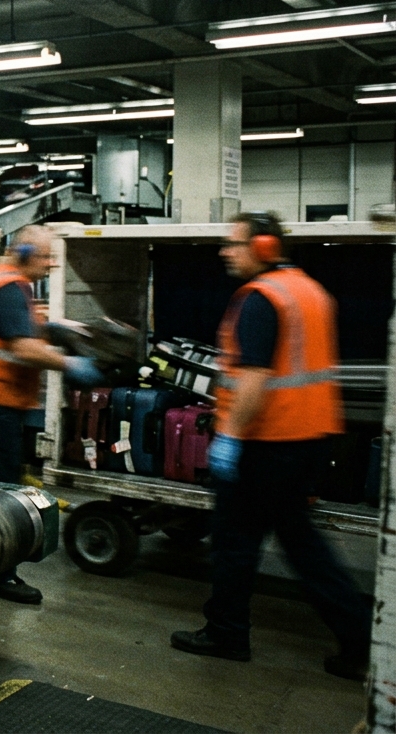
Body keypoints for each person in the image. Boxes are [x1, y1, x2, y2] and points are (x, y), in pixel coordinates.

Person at [170, 212, 369, 680]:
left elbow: (255, 379)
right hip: (309, 440)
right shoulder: (310, 291)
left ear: (262, 247)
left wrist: (230, 440)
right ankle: (359, 640)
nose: (224, 252)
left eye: (233, 244)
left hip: (266, 444)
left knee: (235, 544)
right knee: (303, 545)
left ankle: (227, 634)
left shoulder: (260, 299)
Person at [0, 224, 106, 604]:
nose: (52, 264)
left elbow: (17, 330)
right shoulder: (10, 285)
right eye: (45, 256)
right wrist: (69, 363)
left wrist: (52, 329)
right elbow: (22, 348)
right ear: (23, 253)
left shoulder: (4, 280)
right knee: (1, 495)